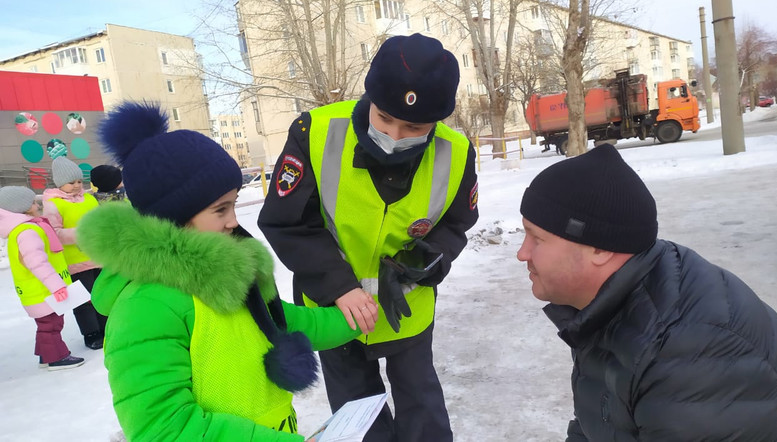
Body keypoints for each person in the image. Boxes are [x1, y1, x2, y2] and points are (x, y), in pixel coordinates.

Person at [76, 101, 376, 441]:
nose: (234, 221)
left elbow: (288, 322)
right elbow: (164, 428)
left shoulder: (224, 278)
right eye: (220, 210)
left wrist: (361, 314)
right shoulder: (145, 307)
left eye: (233, 205)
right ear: (173, 214)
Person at [258, 33, 479, 442]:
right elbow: (285, 222)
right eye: (384, 119)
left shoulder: (458, 152)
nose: (395, 137)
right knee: (357, 414)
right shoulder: (315, 132)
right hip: (333, 311)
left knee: (422, 405)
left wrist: (429, 261)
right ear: (370, 99)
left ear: (437, 121)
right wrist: (338, 286)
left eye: (413, 126)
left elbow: (457, 222)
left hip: (406, 310)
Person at [516, 144, 777, 440]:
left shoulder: (691, 357)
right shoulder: (613, 301)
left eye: (537, 238)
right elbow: (598, 424)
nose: (522, 254)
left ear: (599, 248)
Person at [0, 186, 85, 371]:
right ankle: (56, 357)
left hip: (40, 289)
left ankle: (45, 355)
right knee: (51, 325)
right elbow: (36, 262)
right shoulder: (27, 231)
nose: (36, 204)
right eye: (32, 202)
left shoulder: (27, 228)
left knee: (47, 324)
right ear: (19, 207)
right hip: (43, 290)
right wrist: (57, 286)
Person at [43, 156, 105, 349]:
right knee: (83, 300)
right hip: (75, 260)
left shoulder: (89, 198)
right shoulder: (54, 204)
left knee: (103, 294)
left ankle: (107, 327)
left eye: (79, 181)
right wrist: (82, 233)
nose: (77, 185)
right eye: (72, 183)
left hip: (99, 256)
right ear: (60, 183)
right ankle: (91, 333)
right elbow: (54, 233)